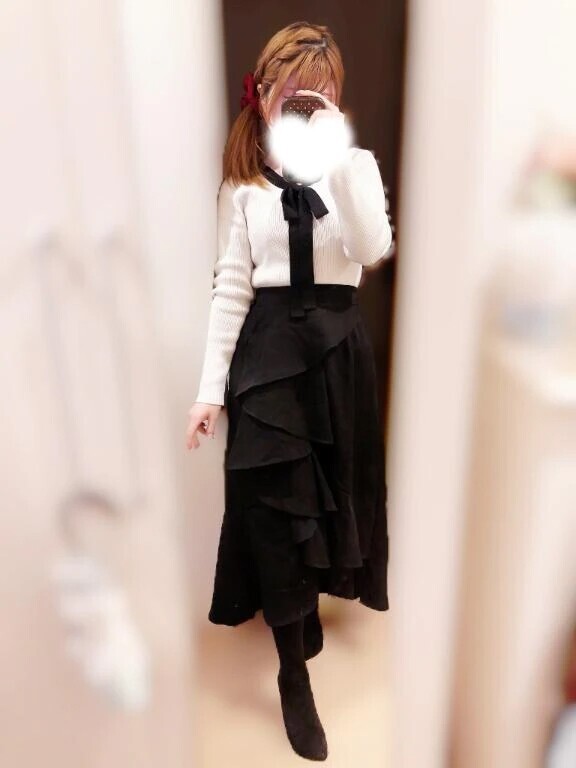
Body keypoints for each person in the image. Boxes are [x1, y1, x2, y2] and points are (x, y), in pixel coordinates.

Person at [186, 20, 393, 761]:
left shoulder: (353, 169)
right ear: (266, 92)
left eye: (321, 93)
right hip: (266, 360)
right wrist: (209, 391)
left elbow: (371, 247)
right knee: (273, 511)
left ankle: (304, 617)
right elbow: (230, 288)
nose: (306, 103)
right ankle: (292, 674)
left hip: (336, 358)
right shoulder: (243, 186)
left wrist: (341, 157)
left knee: (327, 504)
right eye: (294, 91)